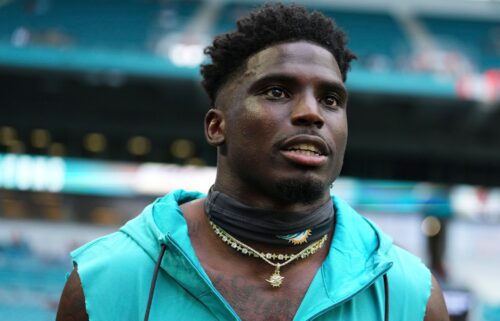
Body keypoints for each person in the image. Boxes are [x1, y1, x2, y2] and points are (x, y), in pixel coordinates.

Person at [56, 4, 449, 321]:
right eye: (277, 91)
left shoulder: (409, 294)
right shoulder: (106, 281)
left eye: (331, 100)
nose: (312, 114)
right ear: (216, 126)